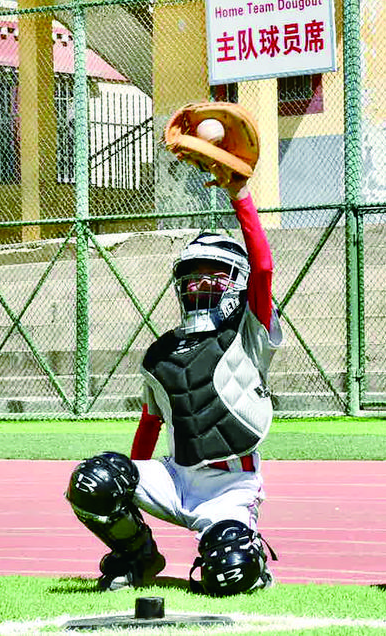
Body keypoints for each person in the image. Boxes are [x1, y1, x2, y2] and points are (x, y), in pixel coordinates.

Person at [65, 173, 282, 597]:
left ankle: (247, 553)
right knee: (93, 481)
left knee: (230, 572)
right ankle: (139, 555)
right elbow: (149, 428)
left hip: (229, 491)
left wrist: (239, 193)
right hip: (175, 478)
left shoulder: (250, 333)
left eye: (214, 274)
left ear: (236, 282)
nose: (200, 282)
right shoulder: (161, 354)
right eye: (193, 274)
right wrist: (129, 488)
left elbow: (263, 267)